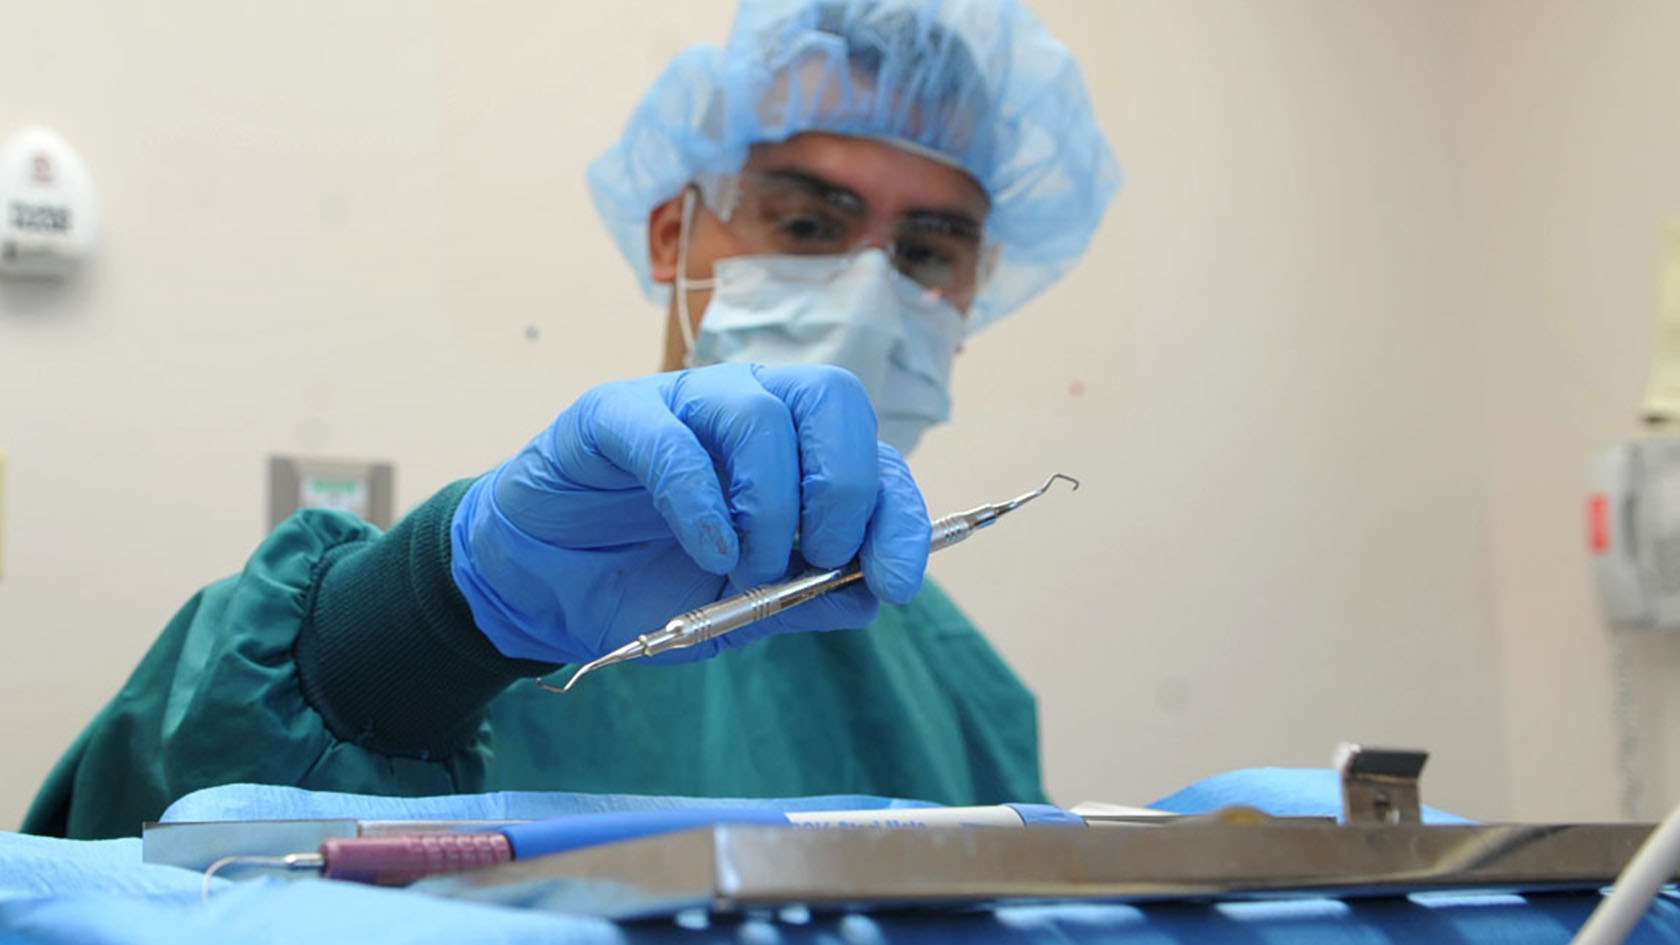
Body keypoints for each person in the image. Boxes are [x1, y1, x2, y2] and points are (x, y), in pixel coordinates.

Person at [23, 0, 1119, 840]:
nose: (871, 291)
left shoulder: (962, 697)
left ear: (970, 303)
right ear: (669, 236)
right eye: (804, 220)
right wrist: (430, 620)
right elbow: (157, 856)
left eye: (926, 252)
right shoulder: (521, 580)